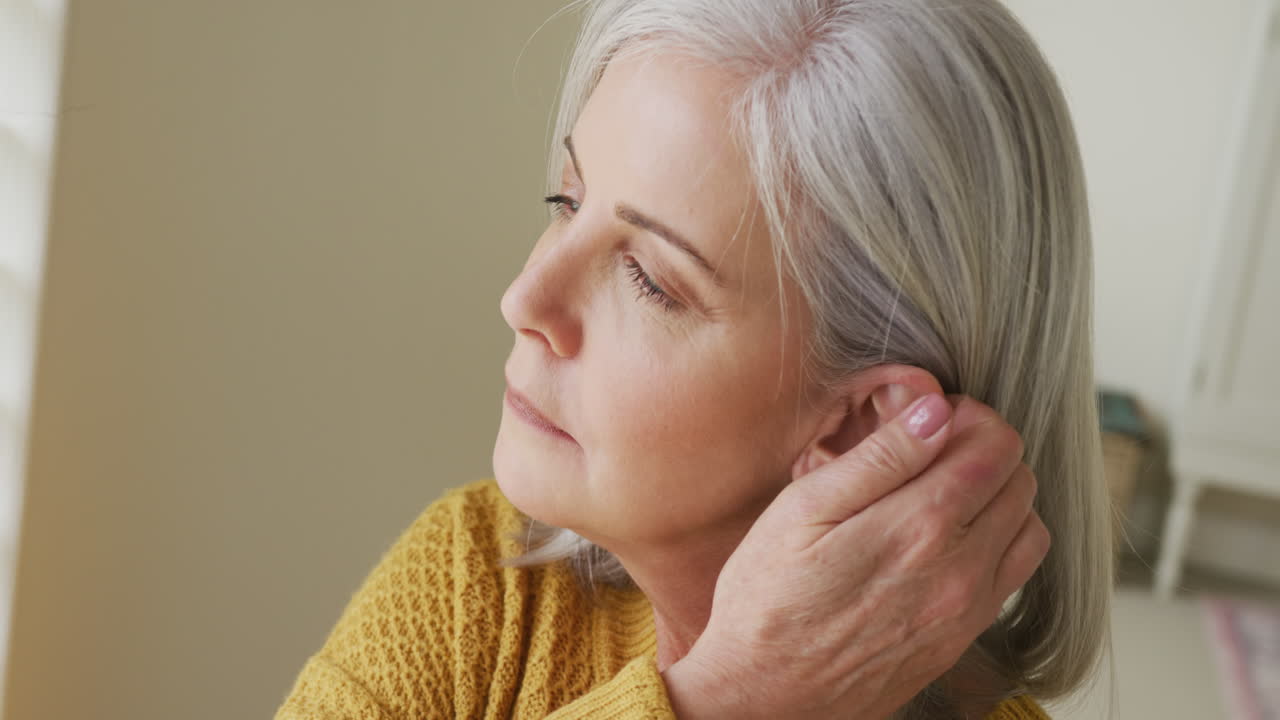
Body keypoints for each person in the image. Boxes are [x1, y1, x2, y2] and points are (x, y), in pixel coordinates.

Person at [274, 0, 1113, 718]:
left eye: (649, 280)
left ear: (864, 426)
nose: (525, 299)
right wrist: (724, 699)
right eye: (567, 200)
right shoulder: (477, 583)